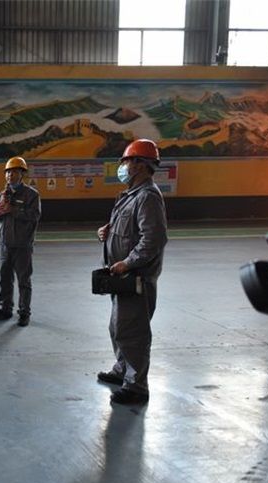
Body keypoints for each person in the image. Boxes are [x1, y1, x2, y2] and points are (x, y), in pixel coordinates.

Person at [96, 139, 168, 405]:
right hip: (121, 276)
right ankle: (122, 369)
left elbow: (152, 239)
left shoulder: (148, 196)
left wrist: (127, 263)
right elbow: (129, 228)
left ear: (139, 164)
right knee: (118, 326)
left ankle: (136, 386)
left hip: (136, 276)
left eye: (126, 161)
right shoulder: (131, 195)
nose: (123, 167)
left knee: (133, 331)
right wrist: (108, 231)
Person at [0, 156, 41, 327]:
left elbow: (34, 216)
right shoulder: (2, 194)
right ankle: (5, 308)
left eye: (14, 171)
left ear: (22, 174)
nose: (10, 175)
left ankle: (24, 312)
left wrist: (14, 209)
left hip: (22, 245)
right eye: (8, 172)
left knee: (24, 280)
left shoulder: (31, 195)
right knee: (5, 278)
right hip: (5, 244)